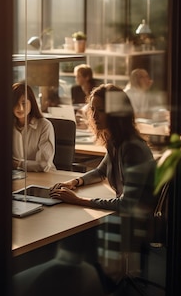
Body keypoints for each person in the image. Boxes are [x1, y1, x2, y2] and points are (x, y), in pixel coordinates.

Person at [49, 84, 156, 213]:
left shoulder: (133, 149)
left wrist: (78, 200)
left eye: (100, 110)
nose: (94, 116)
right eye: (92, 109)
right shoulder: (115, 142)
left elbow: (126, 204)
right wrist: (75, 182)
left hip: (138, 224)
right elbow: (101, 172)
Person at [12, 81, 55, 172]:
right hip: (16, 177)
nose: (20, 108)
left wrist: (17, 164)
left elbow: (43, 164)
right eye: (16, 103)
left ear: (32, 103)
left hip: (44, 178)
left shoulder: (44, 126)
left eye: (24, 103)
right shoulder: (6, 126)